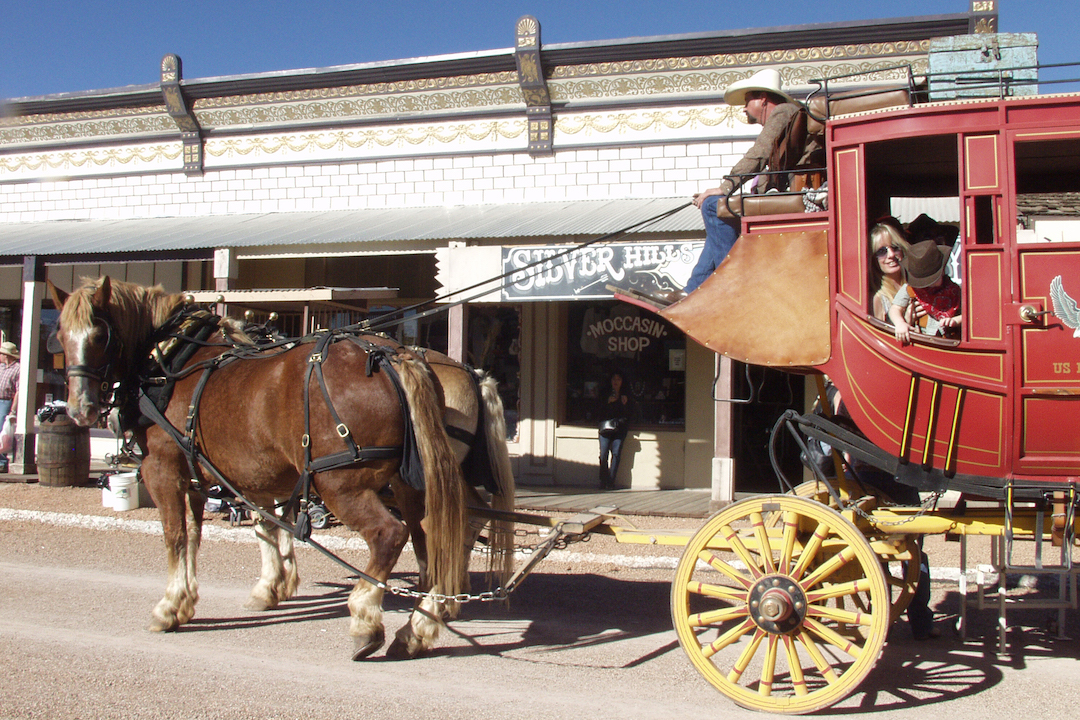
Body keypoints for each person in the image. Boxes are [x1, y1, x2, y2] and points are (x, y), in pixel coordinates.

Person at [684, 68, 823, 294]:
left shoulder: (784, 111)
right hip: (789, 192)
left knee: (713, 206)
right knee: (718, 216)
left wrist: (724, 187)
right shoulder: (791, 113)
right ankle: (693, 290)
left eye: (748, 100)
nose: (745, 107)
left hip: (795, 194)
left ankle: (730, 281)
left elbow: (758, 154)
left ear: (763, 99)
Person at [888, 240, 962, 344]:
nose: (927, 286)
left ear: (942, 273)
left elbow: (969, 314)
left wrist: (956, 321)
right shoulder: (910, 289)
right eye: (922, 282)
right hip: (921, 340)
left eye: (932, 280)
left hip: (949, 340)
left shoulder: (954, 290)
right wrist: (900, 323)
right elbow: (895, 308)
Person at [868, 220, 912, 322]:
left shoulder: (915, 284)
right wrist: (907, 321)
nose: (891, 255)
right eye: (882, 251)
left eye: (895, 247)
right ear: (873, 259)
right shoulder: (878, 298)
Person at [597, 371, 634, 490]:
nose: (616, 382)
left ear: (622, 381)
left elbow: (631, 413)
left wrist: (625, 404)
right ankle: (603, 480)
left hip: (619, 429)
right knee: (603, 454)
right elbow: (597, 410)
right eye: (614, 379)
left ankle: (611, 482)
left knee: (616, 454)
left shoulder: (626, 395)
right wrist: (607, 402)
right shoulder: (604, 393)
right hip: (606, 428)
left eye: (618, 379)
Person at [0, 341, 20, 473]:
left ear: (6, 355)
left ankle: (2, 462)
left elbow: (18, 391)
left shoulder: (17, 369)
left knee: (3, 431)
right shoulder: (1, 367)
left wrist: (13, 409)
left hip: (6, 402)